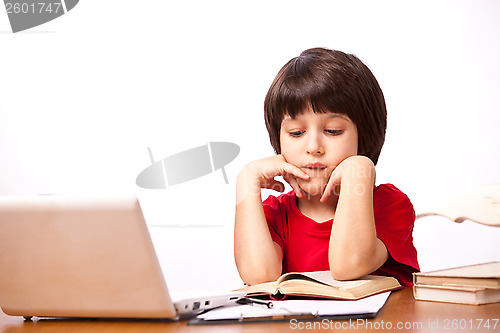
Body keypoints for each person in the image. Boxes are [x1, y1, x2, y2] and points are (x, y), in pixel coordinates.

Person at [234, 48, 419, 287]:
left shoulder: (390, 205)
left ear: (364, 136)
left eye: (332, 131)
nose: (313, 147)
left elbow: (348, 265)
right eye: (296, 133)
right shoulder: (275, 214)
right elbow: (259, 276)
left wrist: (359, 169)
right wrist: (246, 180)